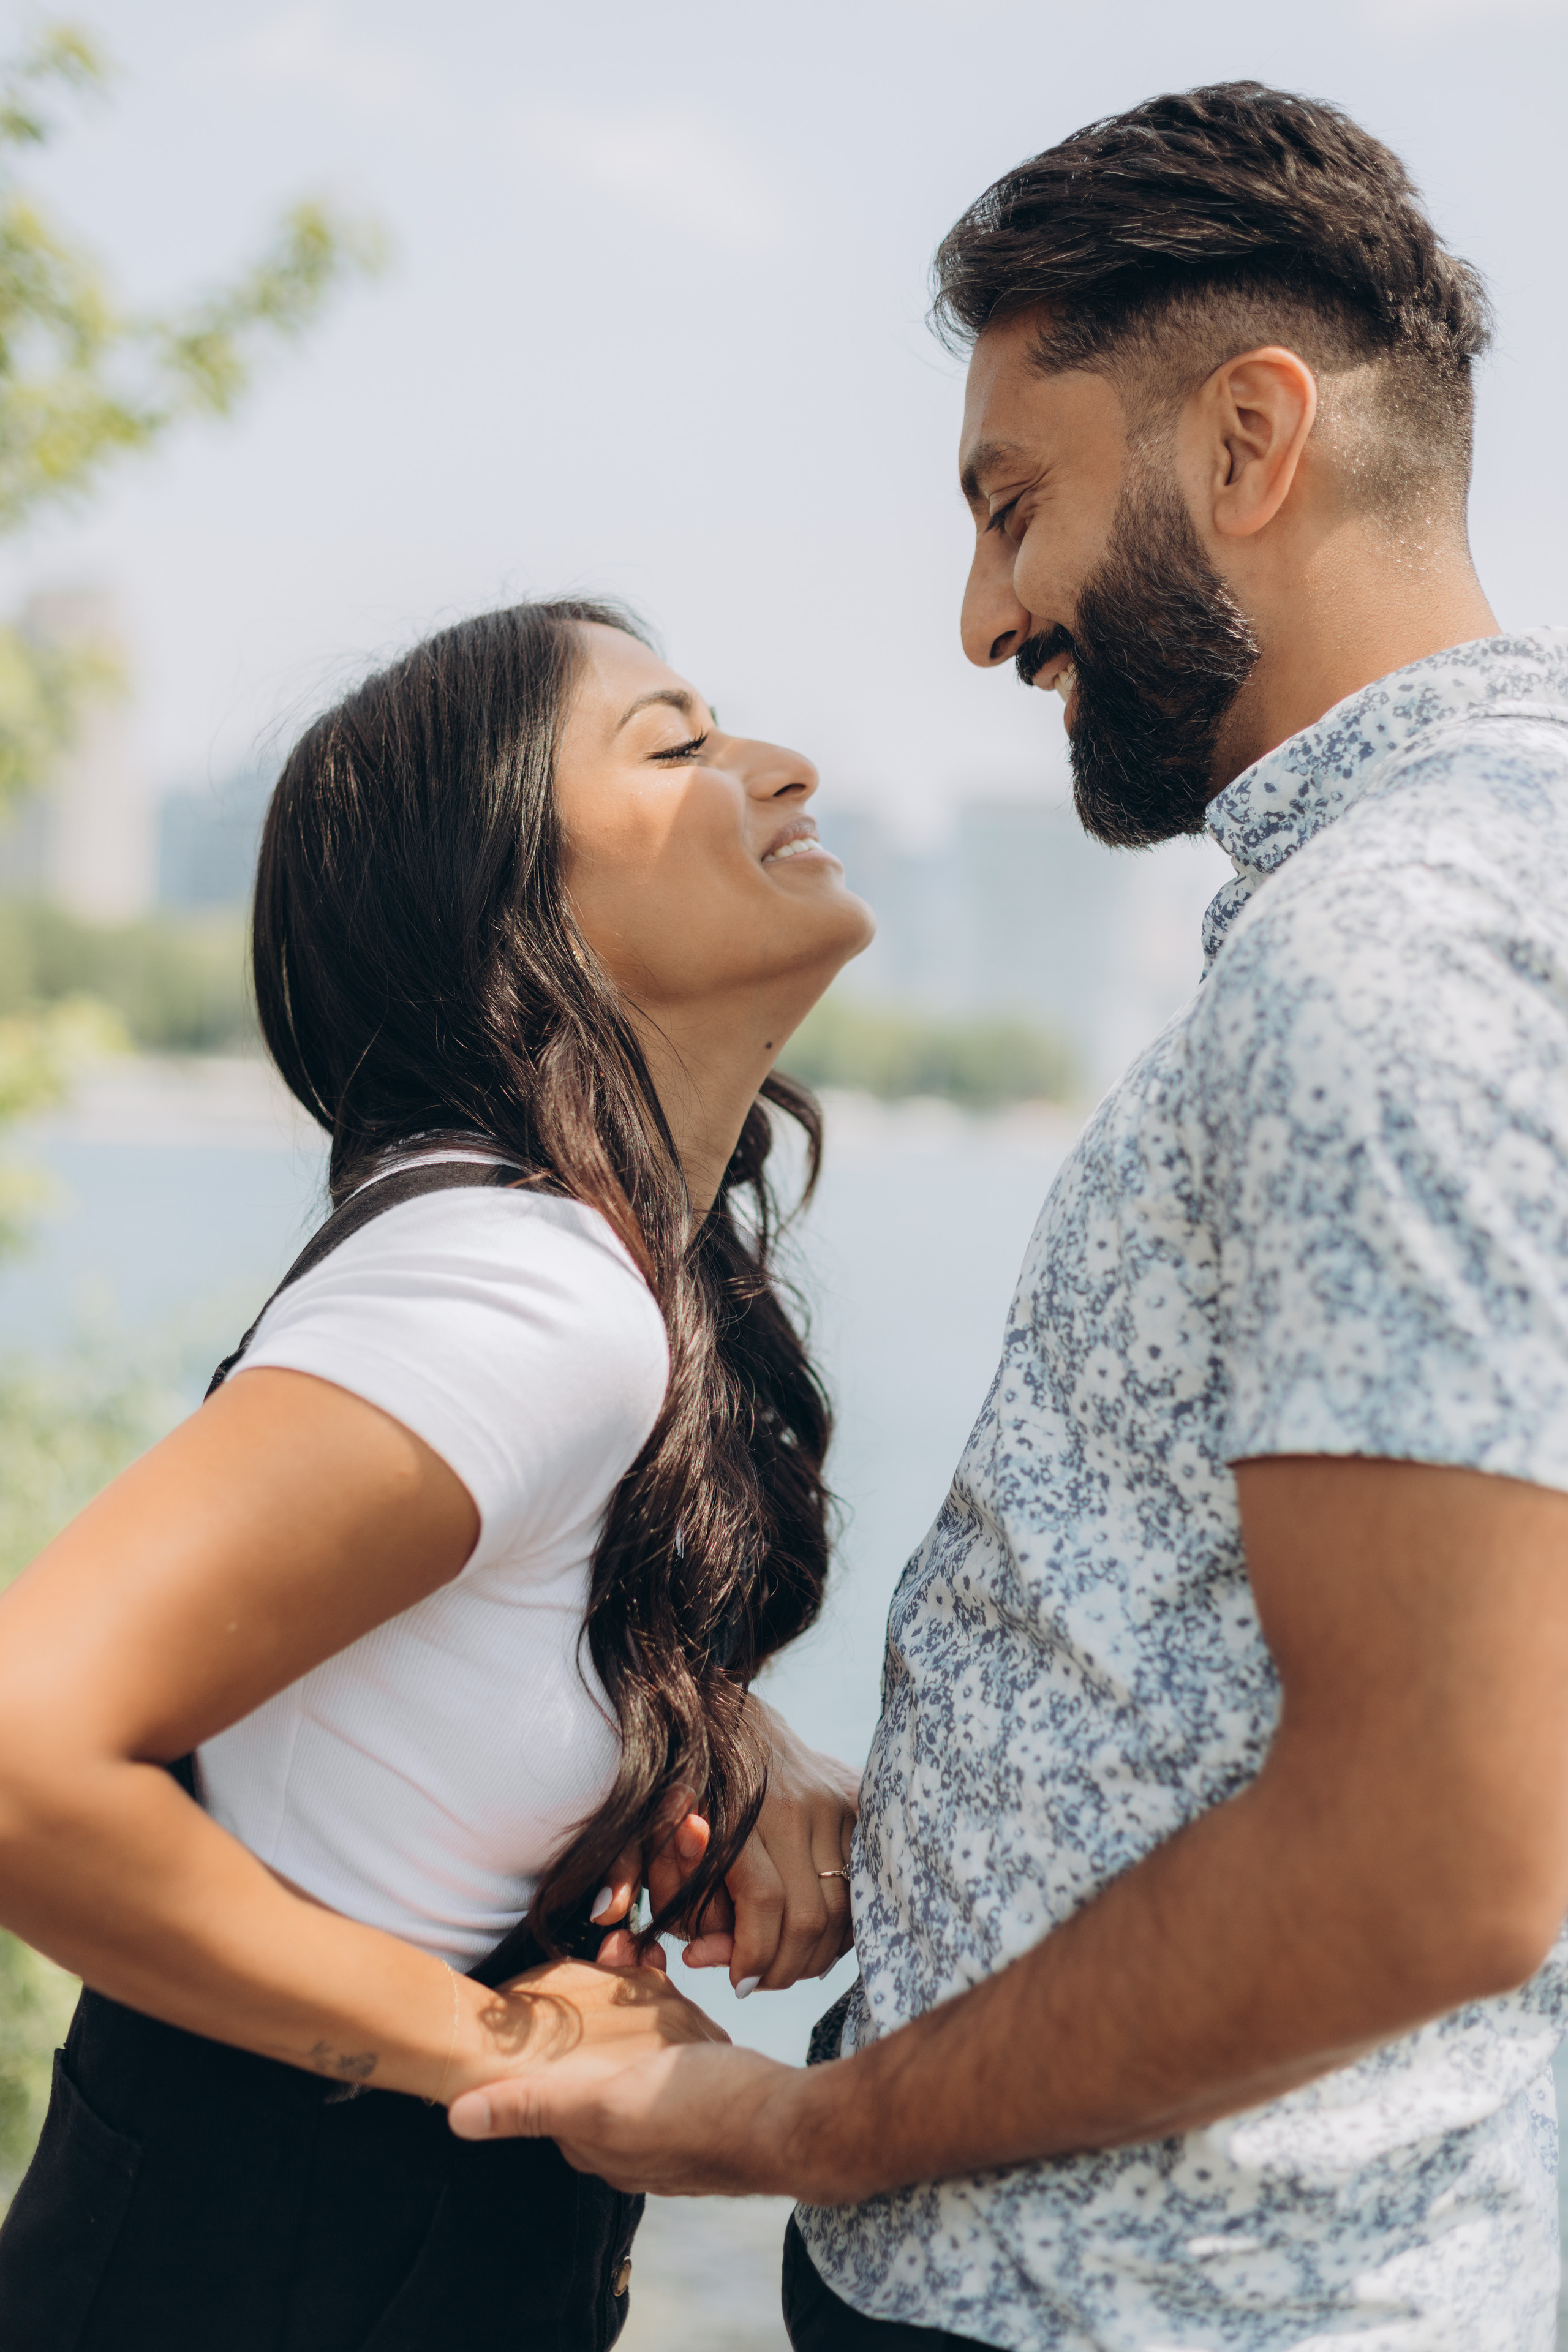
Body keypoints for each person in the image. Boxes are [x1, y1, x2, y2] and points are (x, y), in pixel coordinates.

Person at [455, 85, 1568, 2352]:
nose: (984, 618)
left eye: (1013, 504)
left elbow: (1442, 1843)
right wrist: (944, 1831)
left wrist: (797, 2130)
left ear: (1251, 441)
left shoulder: (1402, 943)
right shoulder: (1457, 893)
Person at [0, 597, 873, 2350]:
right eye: (680, 748)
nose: (785, 770)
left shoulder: (606, 1280)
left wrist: (709, 1737)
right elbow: (19, 1753)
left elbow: (397, 1696)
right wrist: (517, 2049)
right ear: (516, 912)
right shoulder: (527, 1286)